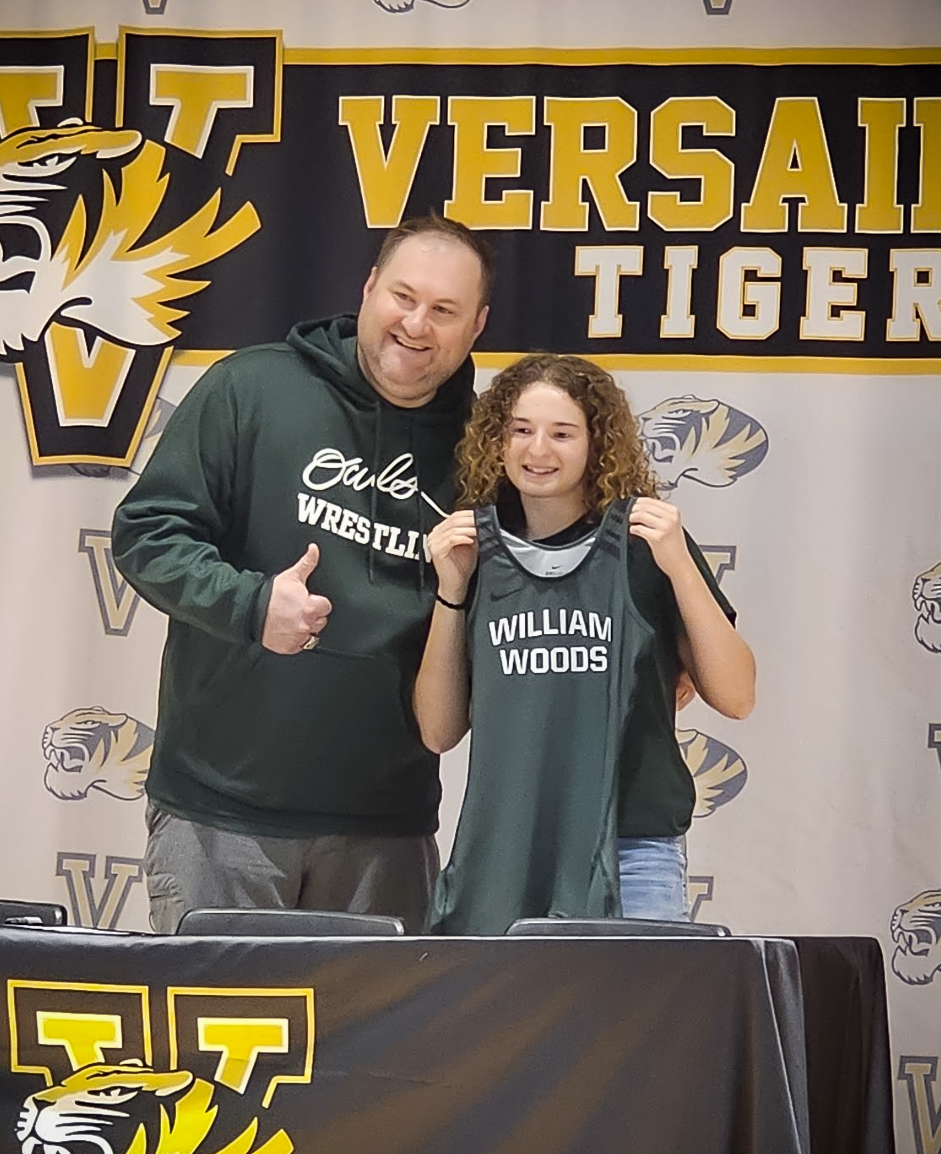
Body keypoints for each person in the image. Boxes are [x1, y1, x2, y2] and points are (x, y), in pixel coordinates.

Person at [112, 213, 492, 934]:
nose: (416, 324)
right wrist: (253, 605)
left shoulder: (487, 447)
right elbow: (146, 533)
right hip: (221, 816)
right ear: (369, 288)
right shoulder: (250, 389)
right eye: (403, 297)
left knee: (373, 1050)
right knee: (209, 1042)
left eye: (444, 311)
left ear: (476, 326)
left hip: (388, 830)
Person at [414, 353, 755, 935]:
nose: (537, 450)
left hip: (634, 847)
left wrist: (680, 567)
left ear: (598, 445)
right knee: (511, 1029)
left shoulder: (647, 544)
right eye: (520, 430)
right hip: (509, 852)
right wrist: (451, 590)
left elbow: (736, 694)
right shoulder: (472, 548)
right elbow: (439, 730)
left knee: (641, 1025)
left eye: (562, 433)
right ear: (496, 441)